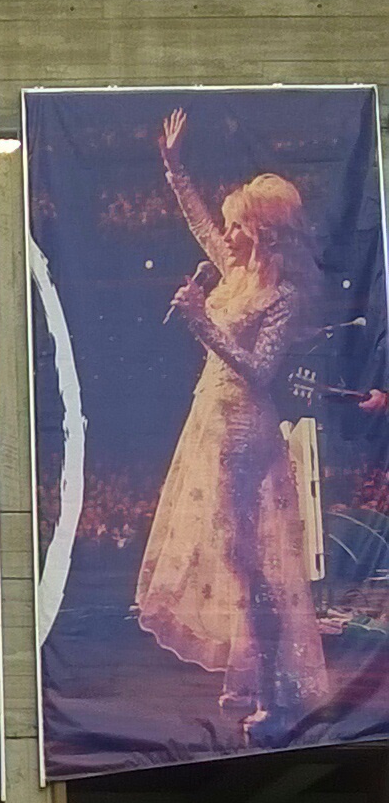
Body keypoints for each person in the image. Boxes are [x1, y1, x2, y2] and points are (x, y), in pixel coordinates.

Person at [134, 108, 330, 746]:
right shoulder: (237, 271)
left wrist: (201, 323)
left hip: (245, 430)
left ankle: (274, 696)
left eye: (239, 224)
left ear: (264, 234)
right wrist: (173, 167)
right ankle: (253, 678)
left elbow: (260, 371)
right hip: (210, 421)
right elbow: (199, 222)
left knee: (253, 568)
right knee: (235, 561)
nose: (228, 232)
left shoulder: (282, 295)